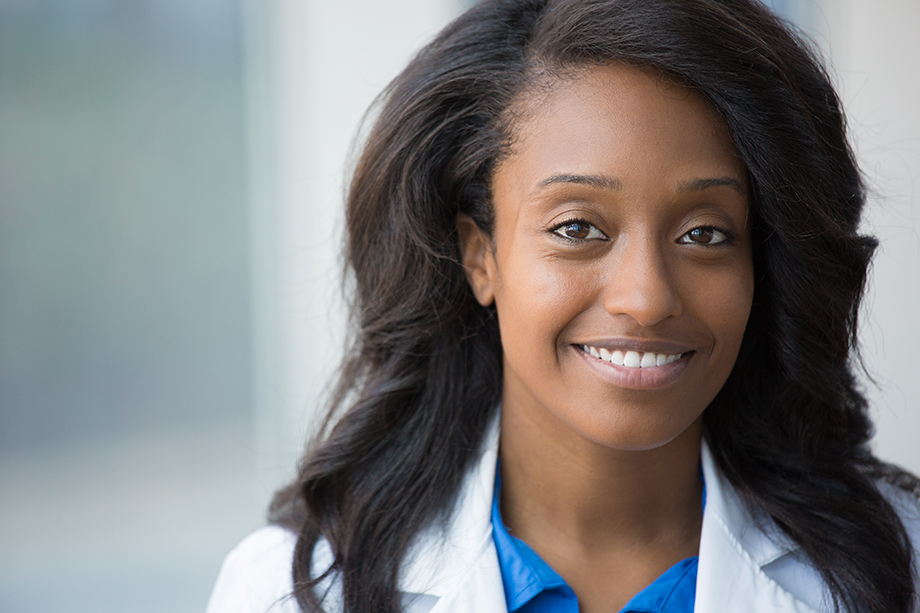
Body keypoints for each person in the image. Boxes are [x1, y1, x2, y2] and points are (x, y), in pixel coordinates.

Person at [207, 0, 920, 612]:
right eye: (577, 228)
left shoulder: (901, 567)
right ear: (479, 253)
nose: (645, 297)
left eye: (705, 233)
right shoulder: (291, 590)